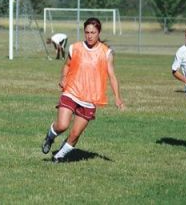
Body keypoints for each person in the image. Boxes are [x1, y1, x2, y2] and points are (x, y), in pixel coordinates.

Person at [42, 17, 125, 163]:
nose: (90, 35)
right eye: (87, 32)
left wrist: (118, 98)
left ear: (99, 32)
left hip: (90, 98)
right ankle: (50, 137)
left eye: (93, 32)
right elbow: (67, 65)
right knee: (62, 125)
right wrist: (63, 78)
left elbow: (112, 76)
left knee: (74, 134)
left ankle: (58, 156)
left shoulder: (106, 53)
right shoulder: (75, 48)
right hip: (71, 91)